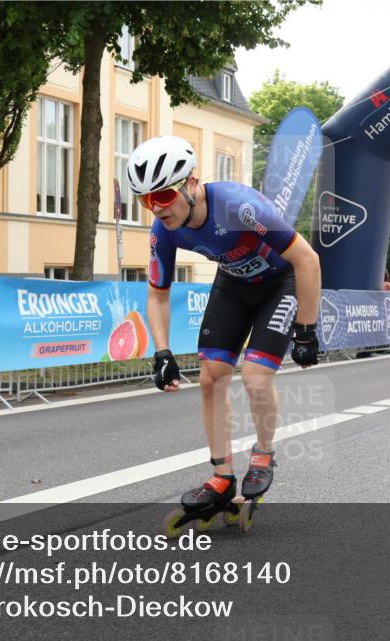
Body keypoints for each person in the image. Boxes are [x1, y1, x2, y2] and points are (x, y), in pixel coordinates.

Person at [130, 136, 321, 517]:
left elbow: (307, 260)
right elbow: (157, 294)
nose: (156, 208)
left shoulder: (238, 206)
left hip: (278, 283)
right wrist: (162, 352)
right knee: (210, 377)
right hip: (234, 285)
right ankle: (221, 476)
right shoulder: (163, 231)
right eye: (144, 200)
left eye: (163, 196)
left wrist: (306, 330)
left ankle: (264, 455)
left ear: (191, 184)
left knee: (254, 377)